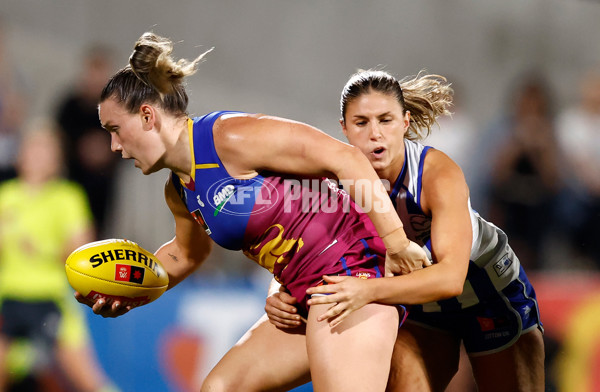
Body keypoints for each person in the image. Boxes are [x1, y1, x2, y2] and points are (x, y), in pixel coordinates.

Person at [77, 32, 430, 392]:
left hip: (352, 277)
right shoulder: (179, 191)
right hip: (304, 297)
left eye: (115, 130)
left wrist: (397, 242)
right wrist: (132, 289)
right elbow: (185, 254)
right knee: (220, 388)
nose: (114, 146)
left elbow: (346, 158)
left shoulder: (229, 137)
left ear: (148, 115)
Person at [265, 69, 545, 391]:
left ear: (406, 122)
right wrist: (276, 293)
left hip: (489, 292)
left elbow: (451, 278)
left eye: (386, 120)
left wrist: (366, 291)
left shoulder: (436, 173)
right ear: (343, 128)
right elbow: (298, 251)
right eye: (361, 123)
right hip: (416, 304)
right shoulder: (332, 182)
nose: (375, 135)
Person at [0, 120, 118, 392]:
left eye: (46, 151)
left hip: (50, 299)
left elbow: (84, 253)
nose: (38, 157)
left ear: (57, 160)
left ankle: (29, 359)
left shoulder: (68, 197)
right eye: (33, 149)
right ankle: (26, 360)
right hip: (8, 298)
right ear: (21, 155)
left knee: (88, 381)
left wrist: (41, 249)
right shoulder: (5, 197)